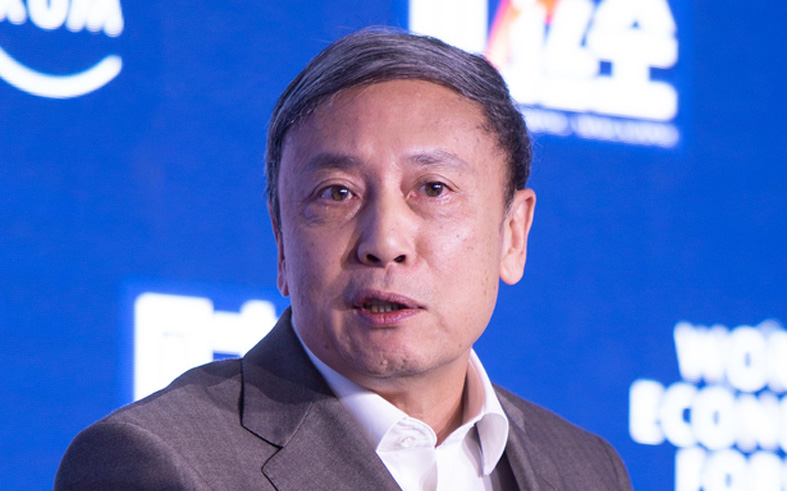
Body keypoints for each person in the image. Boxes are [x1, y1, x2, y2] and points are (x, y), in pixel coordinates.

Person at [55, 28, 632, 490]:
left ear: (513, 234)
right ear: (282, 242)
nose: (384, 241)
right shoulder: (158, 463)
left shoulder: (586, 468)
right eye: (338, 193)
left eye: (432, 189)